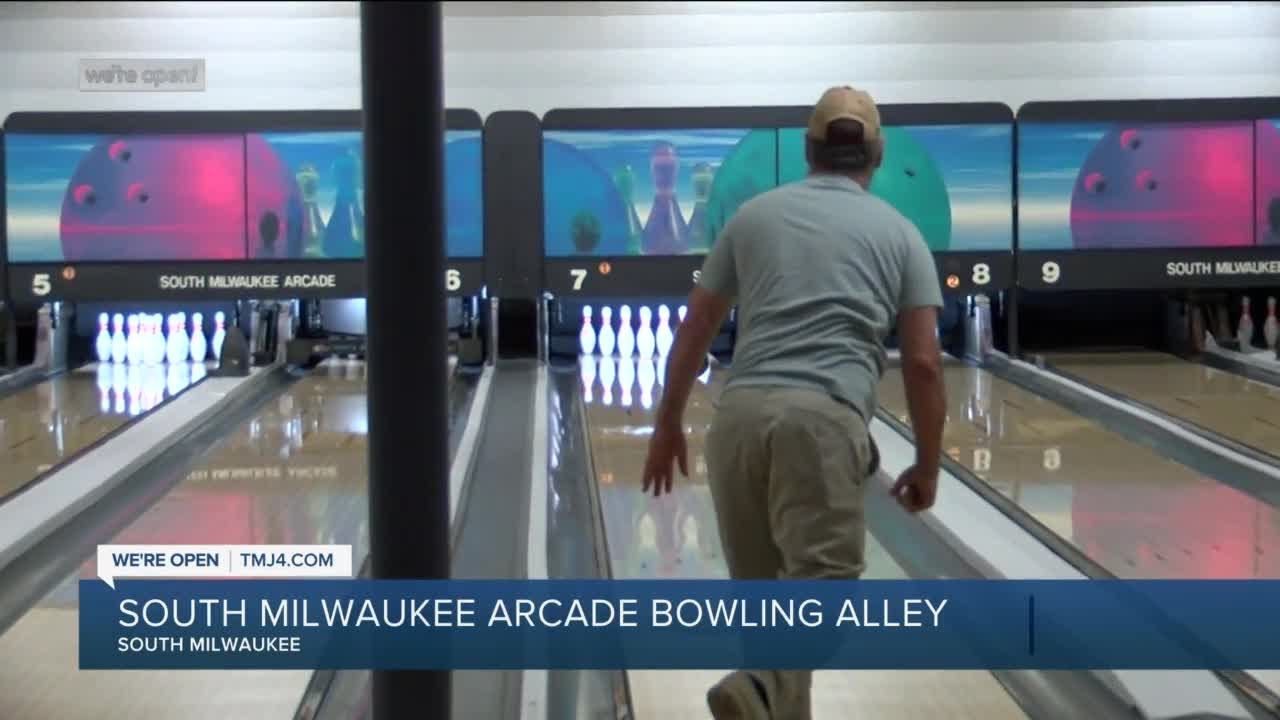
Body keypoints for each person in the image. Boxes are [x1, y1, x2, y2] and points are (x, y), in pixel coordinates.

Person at [641, 86, 947, 720]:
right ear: (878, 155)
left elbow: (696, 326)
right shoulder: (903, 235)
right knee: (823, 597)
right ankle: (760, 682)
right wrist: (927, 462)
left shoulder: (750, 217)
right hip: (821, 421)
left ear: (808, 151)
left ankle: (764, 686)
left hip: (738, 422)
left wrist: (668, 421)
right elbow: (921, 362)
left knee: (766, 619)